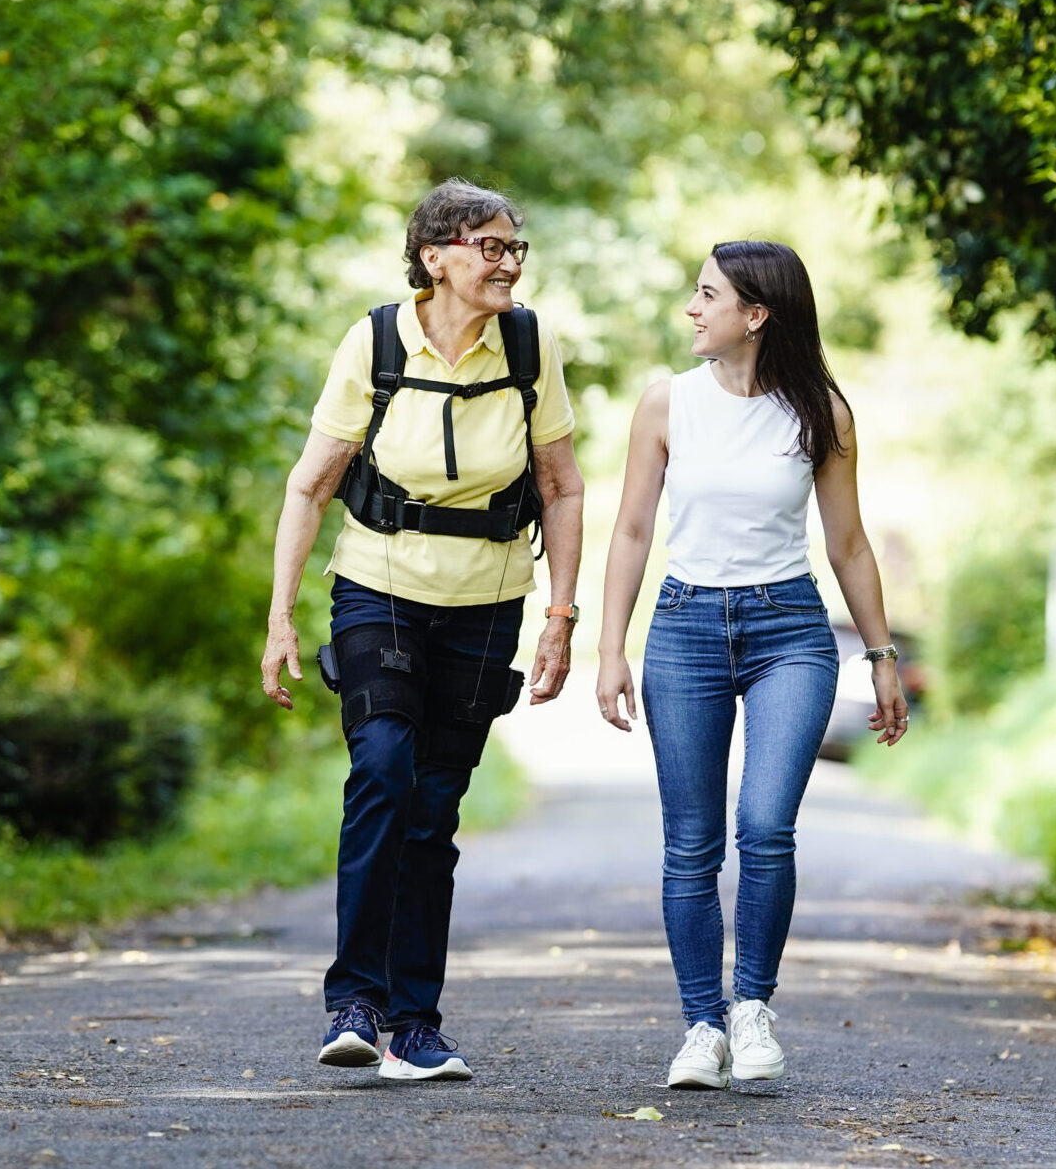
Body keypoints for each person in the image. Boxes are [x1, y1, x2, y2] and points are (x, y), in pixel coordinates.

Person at [262, 179, 586, 1083]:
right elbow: (309, 484)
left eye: (514, 247)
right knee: (381, 770)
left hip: (487, 602)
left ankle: (415, 1025)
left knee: (434, 808)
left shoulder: (529, 344)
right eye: (490, 247)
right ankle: (355, 1001)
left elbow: (561, 488)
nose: (508, 263)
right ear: (435, 255)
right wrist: (280, 617)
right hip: (379, 586)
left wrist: (561, 617)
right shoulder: (373, 341)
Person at [594, 239, 910, 1090]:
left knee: (765, 827)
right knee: (691, 843)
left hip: (790, 633)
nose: (691, 310)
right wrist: (608, 646)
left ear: (755, 313)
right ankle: (701, 1025)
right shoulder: (666, 403)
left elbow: (846, 542)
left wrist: (880, 657)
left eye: (707, 296)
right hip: (685, 629)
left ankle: (751, 1008)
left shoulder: (822, 413)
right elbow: (629, 531)